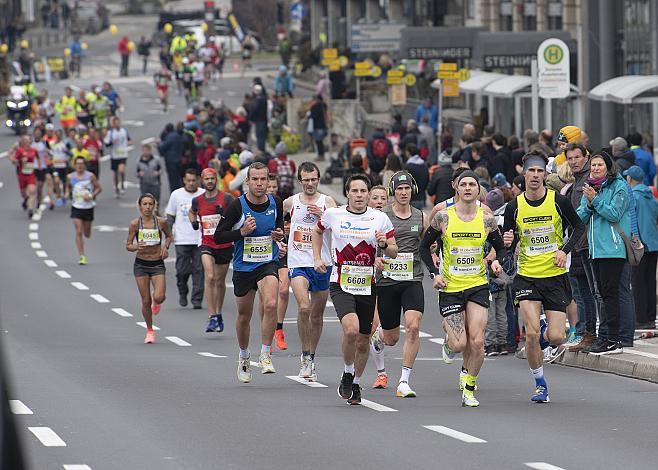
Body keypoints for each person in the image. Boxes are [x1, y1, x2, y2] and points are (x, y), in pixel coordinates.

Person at [503, 152, 585, 402]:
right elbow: (510, 237)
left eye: (540, 171)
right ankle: (540, 384)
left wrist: (564, 250)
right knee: (530, 334)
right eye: (532, 171)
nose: (536, 176)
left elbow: (579, 227)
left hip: (555, 276)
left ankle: (546, 332)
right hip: (527, 276)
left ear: (545, 175)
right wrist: (508, 242)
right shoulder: (514, 205)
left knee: (557, 337)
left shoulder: (559, 201)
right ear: (525, 175)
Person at [420, 171, 506, 407]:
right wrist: (434, 275)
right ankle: (449, 340)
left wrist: (496, 260)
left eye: (472, 184)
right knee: (459, 343)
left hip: (477, 284)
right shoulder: (443, 218)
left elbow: (501, 247)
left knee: (477, 342)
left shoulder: (486, 218)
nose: (468, 188)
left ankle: (469, 386)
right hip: (450, 286)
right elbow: (424, 247)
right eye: (463, 184)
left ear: (478, 190)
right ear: (456, 189)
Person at [313, 174, 398, 405]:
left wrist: (383, 245)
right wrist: (317, 257)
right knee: (350, 330)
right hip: (341, 282)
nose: (359, 195)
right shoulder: (334, 214)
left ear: (369, 194)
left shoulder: (379, 218)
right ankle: (348, 372)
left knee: (362, 340)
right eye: (355, 191)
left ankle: (356, 382)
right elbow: (318, 230)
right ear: (347, 193)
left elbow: (393, 251)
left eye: (363, 191)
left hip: (368, 284)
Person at [214, 162, 285, 383]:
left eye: (263, 179)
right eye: (255, 179)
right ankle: (244, 356)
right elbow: (219, 237)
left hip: (267, 262)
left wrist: (279, 236)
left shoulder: (276, 203)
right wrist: (242, 232)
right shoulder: (237, 206)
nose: (260, 183)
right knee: (244, 316)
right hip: (244, 266)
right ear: (248, 181)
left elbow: (280, 227)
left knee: (271, 303)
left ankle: (265, 353)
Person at [369, 172, 428, 398]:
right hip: (387, 281)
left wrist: (433, 253)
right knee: (392, 338)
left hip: (412, 279)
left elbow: (426, 244)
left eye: (407, 189)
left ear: (412, 190)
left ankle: (404, 381)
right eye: (399, 189)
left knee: (413, 326)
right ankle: (379, 336)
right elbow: (367, 242)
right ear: (393, 191)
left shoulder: (420, 216)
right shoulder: (380, 216)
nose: (404, 193)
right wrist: (375, 258)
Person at [284, 162, 337, 380]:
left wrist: (324, 215)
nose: (310, 183)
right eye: (306, 180)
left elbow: (339, 229)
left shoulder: (328, 202)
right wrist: (280, 236)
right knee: (304, 307)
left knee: (316, 315)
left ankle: (312, 357)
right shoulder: (290, 203)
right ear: (300, 181)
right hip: (298, 262)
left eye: (313, 179)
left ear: (318, 179)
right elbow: (278, 224)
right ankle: (305, 355)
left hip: (322, 263)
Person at [576, 152, 632, 355]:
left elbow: (615, 213)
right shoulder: (589, 188)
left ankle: (615, 339)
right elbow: (581, 217)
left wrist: (596, 200)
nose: (596, 168)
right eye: (593, 165)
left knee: (610, 294)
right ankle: (605, 338)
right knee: (600, 294)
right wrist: (590, 202)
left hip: (614, 248)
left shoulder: (619, 186)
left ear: (608, 167)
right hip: (595, 249)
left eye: (600, 165)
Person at [189, 168, 235, 333]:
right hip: (206, 244)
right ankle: (211, 316)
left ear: (216, 180)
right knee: (209, 276)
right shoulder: (197, 200)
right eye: (206, 179)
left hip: (224, 245)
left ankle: (218, 313)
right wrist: (194, 222)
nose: (209, 181)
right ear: (202, 180)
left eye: (212, 178)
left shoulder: (227, 198)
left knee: (219, 281)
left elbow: (237, 216)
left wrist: (225, 216)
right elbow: (191, 212)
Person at [564, 143, 599, 352]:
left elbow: (584, 215)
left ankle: (591, 334)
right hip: (580, 245)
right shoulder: (577, 179)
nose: (574, 161)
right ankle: (587, 333)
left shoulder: (588, 179)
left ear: (586, 157)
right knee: (584, 293)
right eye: (570, 158)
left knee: (591, 293)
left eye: (577, 157)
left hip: (588, 243)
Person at [126, 193, 172, 344]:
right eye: (144, 204)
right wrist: (136, 246)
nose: (147, 207)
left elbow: (169, 236)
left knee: (159, 296)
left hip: (157, 263)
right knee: (145, 301)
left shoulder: (161, 222)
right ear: (139, 206)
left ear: (154, 206)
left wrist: (165, 247)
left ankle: (156, 301)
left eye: (150, 204)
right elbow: (128, 245)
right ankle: (150, 330)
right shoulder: (135, 224)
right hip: (141, 265)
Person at [166, 169, 205, 309]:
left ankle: (197, 299)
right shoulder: (176, 195)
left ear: (198, 181)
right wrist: (168, 236)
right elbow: (170, 216)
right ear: (184, 180)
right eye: (188, 180)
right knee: (182, 271)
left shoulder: (203, 194)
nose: (191, 183)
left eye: (193, 180)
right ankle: (183, 292)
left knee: (199, 270)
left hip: (200, 239)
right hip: (182, 239)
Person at [625, 165, 658, 329]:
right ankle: (651, 316)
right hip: (654, 244)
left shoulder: (633, 197)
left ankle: (641, 318)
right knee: (650, 281)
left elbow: (631, 221)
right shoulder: (652, 197)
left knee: (638, 282)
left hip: (640, 244)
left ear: (630, 179)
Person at [264, 175, 291, 350]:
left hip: (283, 252)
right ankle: (266, 334)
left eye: (275, 187)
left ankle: (278, 329)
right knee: (267, 299)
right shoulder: (258, 206)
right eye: (269, 187)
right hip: (265, 253)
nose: (272, 190)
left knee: (283, 289)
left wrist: (288, 230)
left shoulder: (282, 204)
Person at [65, 157, 102, 265]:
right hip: (76, 207)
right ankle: (82, 256)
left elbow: (99, 188)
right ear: (74, 165)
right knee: (79, 231)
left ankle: (87, 233)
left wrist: (91, 195)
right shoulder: (70, 176)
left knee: (87, 233)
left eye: (81, 164)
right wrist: (67, 193)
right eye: (77, 164)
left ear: (84, 165)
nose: (80, 166)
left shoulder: (90, 176)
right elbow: (67, 187)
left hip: (88, 207)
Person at [9, 135, 39, 218]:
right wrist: (20, 161)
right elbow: (14, 161)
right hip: (22, 174)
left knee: (32, 191)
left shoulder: (34, 150)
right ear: (22, 142)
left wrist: (39, 168)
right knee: (23, 193)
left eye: (28, 140)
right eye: (25, 140)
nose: (27, 142)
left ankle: (30, 209)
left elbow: (38, 159)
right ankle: (26, 199)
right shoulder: (19, 150)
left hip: (31, 174)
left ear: (30, 141)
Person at [103, 116, 132, 198]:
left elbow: (129, 139)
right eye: (115, 123)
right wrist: (112, 142)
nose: (117, 124)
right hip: (114, 155)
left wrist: (130, 142)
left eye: (118, 122)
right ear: (113, 124)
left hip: (123, 154)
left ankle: (122, 183)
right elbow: (106, 144)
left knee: (121, 170)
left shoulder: (124, 131)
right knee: (115, 173)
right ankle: (116, 188)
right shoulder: (111, 133)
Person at [158, 123, 184, 192]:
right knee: (179, 178)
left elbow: (162, 147)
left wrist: (158, 145)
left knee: (173, 179)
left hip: (171, 161)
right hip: (179, 159)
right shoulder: (178, 135)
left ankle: (174, 193)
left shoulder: (169, 137)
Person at [136, 144, 162, 209]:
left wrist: (158, 173)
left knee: (156, 202)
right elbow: (135, 172)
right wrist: (139, 174)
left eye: (147, 150)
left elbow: (162, 169)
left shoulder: (156, 159)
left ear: (150, 151)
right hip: (144, 184)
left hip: (155, 183)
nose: (145, 152)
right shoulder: (139, 160)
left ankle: (157, 216)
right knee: (145, 202)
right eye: (144, 150)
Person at [403, 144, 429, 210]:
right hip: (422, 198)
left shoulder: (408, 166)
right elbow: (427, 180)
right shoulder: (424, 164)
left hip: (412, 198)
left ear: (408, 152)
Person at [309, 94, 328, 161]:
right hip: (323, 126)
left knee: (318, 141)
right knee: (320, 142)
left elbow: (312, 116)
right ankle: (322, 155)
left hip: (317, 127)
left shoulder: (316, 107)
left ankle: (320, 155)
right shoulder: (324, 106)